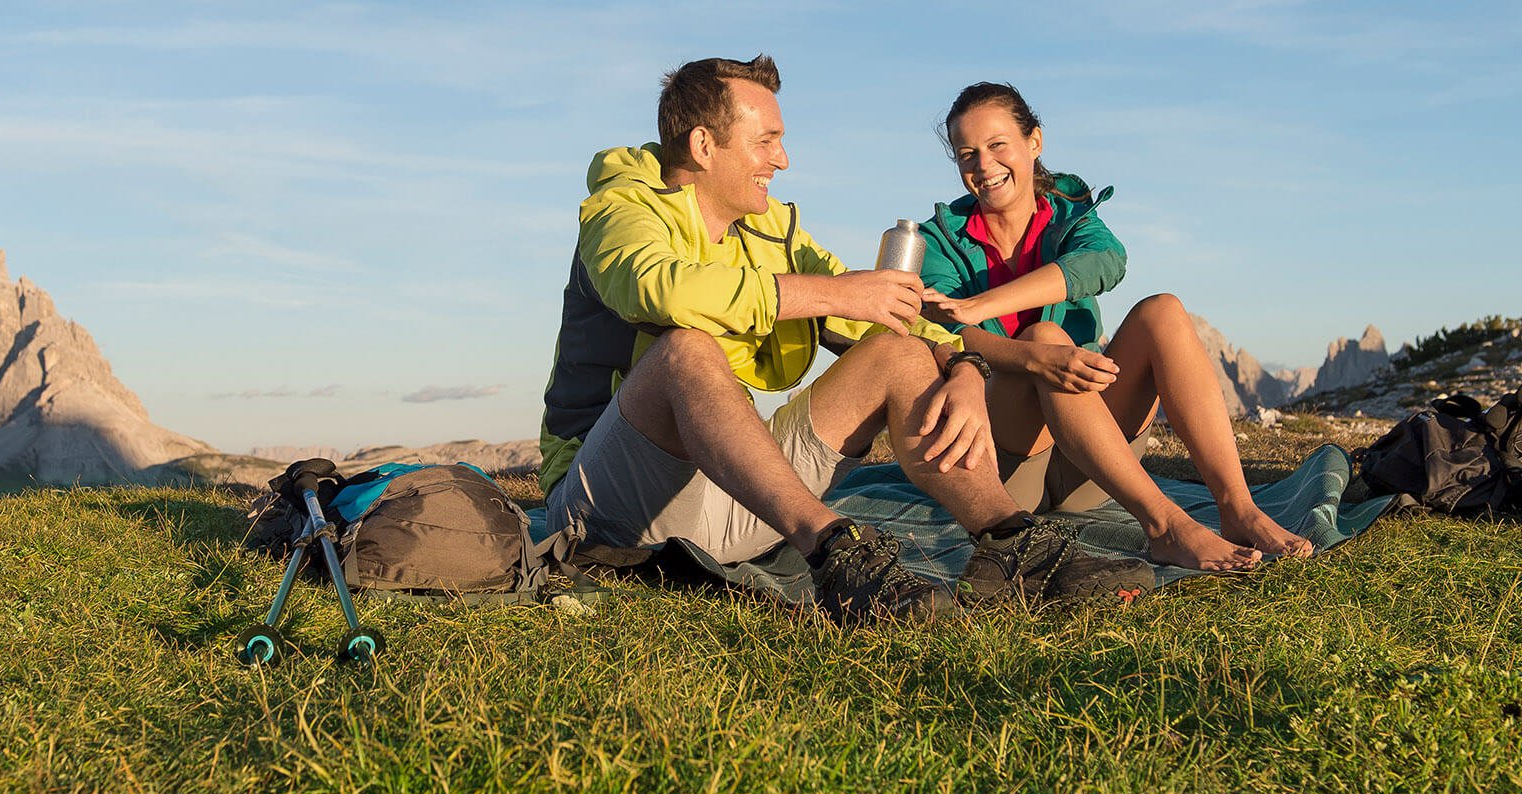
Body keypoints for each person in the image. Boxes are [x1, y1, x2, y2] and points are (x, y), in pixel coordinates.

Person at [538, 56, 1154, 624]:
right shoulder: (621, 209)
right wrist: (834, 295)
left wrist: (963, 364)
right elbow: (660, 290)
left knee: (897, 351)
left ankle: (1009, 544)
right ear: (704, 145)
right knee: (685, 350)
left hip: (737, 502)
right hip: (610, 509)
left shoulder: (771, 228)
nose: (782, 160)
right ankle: (838, 555)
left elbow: (883, 311)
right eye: (766, 141)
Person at [915, 82, 1314, 571]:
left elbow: (1105, 262)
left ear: (1034, 142)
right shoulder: (939, 238)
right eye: (967, 154)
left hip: (1096, 462)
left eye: (998, 145)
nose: (984, 166)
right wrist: (1034, 357)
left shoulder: (1069, 209)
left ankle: (1238, 509)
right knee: (1045, 339)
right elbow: (944, 335)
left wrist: (981, 304)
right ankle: (1165, 527)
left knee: (1163, 310)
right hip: (1012, 468)